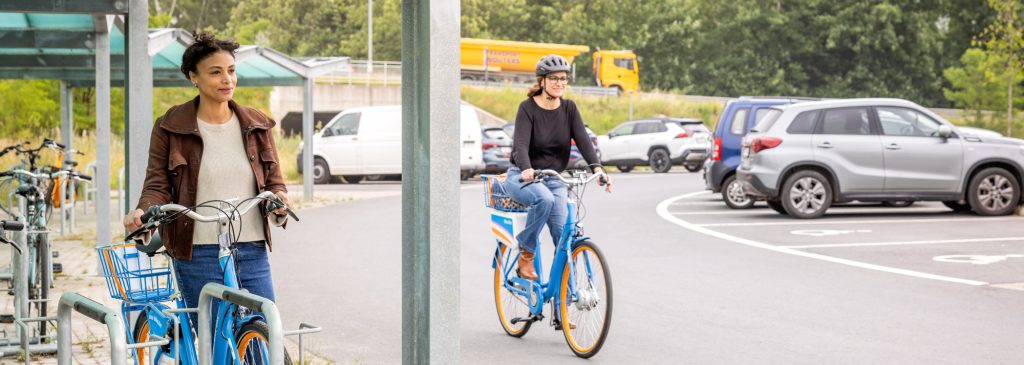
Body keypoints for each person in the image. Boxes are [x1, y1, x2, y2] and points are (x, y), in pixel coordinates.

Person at [122, 32, 293, 326]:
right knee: (214, 340)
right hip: (197, 250)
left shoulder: (257, 124)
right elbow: (157, 184)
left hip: (251, 247)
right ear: (194, 77)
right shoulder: (170, 126)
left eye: (231, 71)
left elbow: (274, 181)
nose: (227, 79)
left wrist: (279, 200)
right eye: (216, 72)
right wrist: (143, 210)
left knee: (263, 333)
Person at [505, 54, 612, 282]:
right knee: (544, 199)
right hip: (523, 177)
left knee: (563, 238)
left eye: (563, 78)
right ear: (542, 81)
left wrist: (598, 169)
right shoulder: (527, 109)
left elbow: (584, 140)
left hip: (554, 179)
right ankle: (526, 252)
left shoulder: (569, 109)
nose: (559, 83)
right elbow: (520, 145)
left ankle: (561, 306)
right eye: (553, 78)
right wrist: (525, 167)